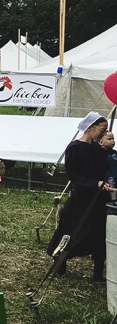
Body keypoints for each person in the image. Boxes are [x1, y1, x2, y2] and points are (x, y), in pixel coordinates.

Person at [47, 112, 112, 281]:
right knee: (73, 232)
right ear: (90, 128)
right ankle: (60, 261)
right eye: (102, 130)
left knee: (100, 235)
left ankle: (98, 273)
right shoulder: (75, 148)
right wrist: (94, 183)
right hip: (82, 200)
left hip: (100, 200)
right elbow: (74, 176)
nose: (104, 134)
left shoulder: (99, 149)